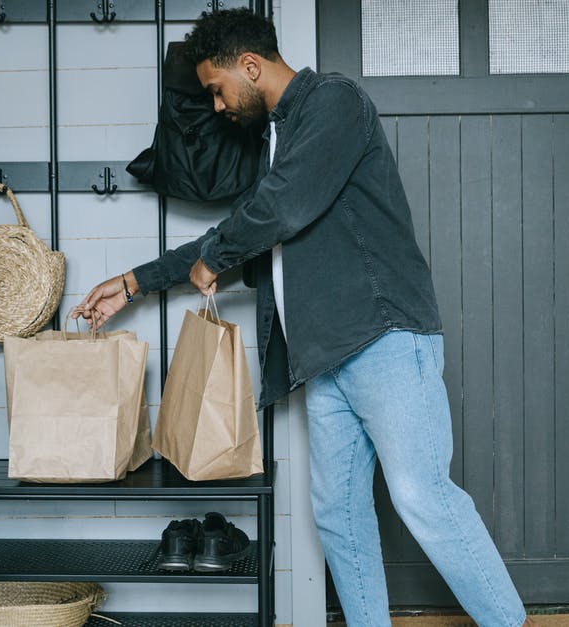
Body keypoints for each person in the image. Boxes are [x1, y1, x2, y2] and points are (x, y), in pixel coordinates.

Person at [72, 9, 530, 626]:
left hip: (385, 338)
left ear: (251, 66)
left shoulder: (335, 104)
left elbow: (279, 210)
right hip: (325, 358)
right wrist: (133, 282)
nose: (216, 105)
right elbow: (245, 223)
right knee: (338, 515)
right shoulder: (274, 143)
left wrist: (218, 254)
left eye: (217, 88)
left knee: (423, 496)